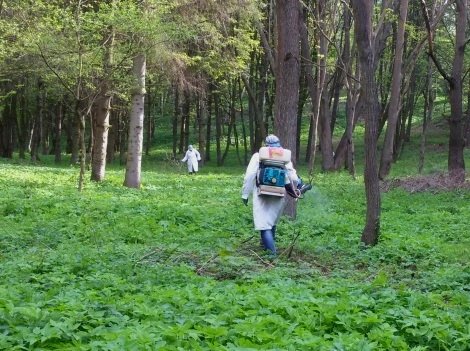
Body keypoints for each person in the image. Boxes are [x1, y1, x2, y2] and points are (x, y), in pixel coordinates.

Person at [241, 134, 303, 256]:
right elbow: (293, 177)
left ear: (266, 145)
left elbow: (249, 176)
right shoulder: (284, 156)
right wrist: (299, 182)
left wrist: (245, 194)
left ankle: (272, 255)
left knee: (264, 225)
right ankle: (267, 247)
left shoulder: (258, 156)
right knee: (272, 221)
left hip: (261, 194)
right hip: (279, 193)